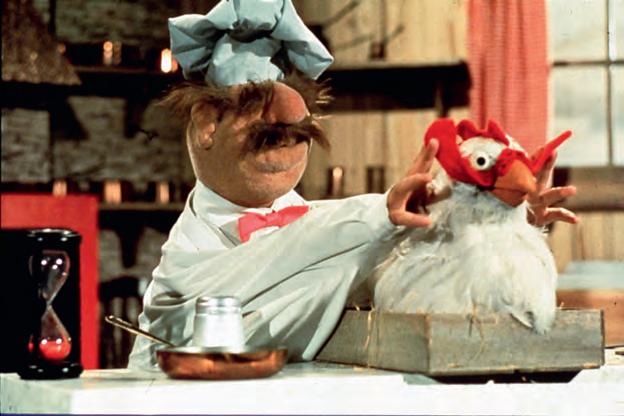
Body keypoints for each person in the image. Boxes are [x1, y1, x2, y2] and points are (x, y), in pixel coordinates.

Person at [128, 0, 577, 369]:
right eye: (265, 128)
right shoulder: (188, 259)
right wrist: (380, 215)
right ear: (208, 125)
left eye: (295, 135)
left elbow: (412, 269)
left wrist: (496, 222)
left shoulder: (334, 230)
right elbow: (280, 262)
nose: (287, 142)